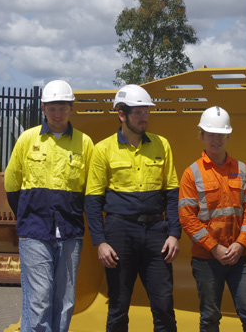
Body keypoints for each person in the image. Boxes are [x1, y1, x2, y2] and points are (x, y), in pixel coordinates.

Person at [85, 84, 181, 332]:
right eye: (138, 112)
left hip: (157, 232)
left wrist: (174, 234)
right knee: (118, 305)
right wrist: (100, 242)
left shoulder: (162, 144)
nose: (144, 117)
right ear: (122, 114)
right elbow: (93, 200)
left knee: (164, 304)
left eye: (146, 112)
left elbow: (172, 194)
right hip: (119, 231)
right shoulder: (103, 149)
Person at [4, 79, 94, 332]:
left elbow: (91, 190)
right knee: (40, 298)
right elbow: (12, 185)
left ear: (72, 109)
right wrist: (27, 215)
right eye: (52, 108)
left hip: (70, 232)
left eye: (63, 108)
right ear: (43, 108)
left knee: (65, 301)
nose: (57, 114)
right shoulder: (27, 139)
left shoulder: (85, 143)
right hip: (34, 231)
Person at [179, 106, 246, 332]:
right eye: (210, 134)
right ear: (202, 136)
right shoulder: (192, 173)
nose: (216, 140)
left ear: (228, 136)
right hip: (206, 258)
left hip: (241, 256)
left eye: (221, 135)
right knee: (209, 318)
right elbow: (187, 218)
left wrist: (240, 244)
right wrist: (214, 248)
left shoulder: (243, 170)